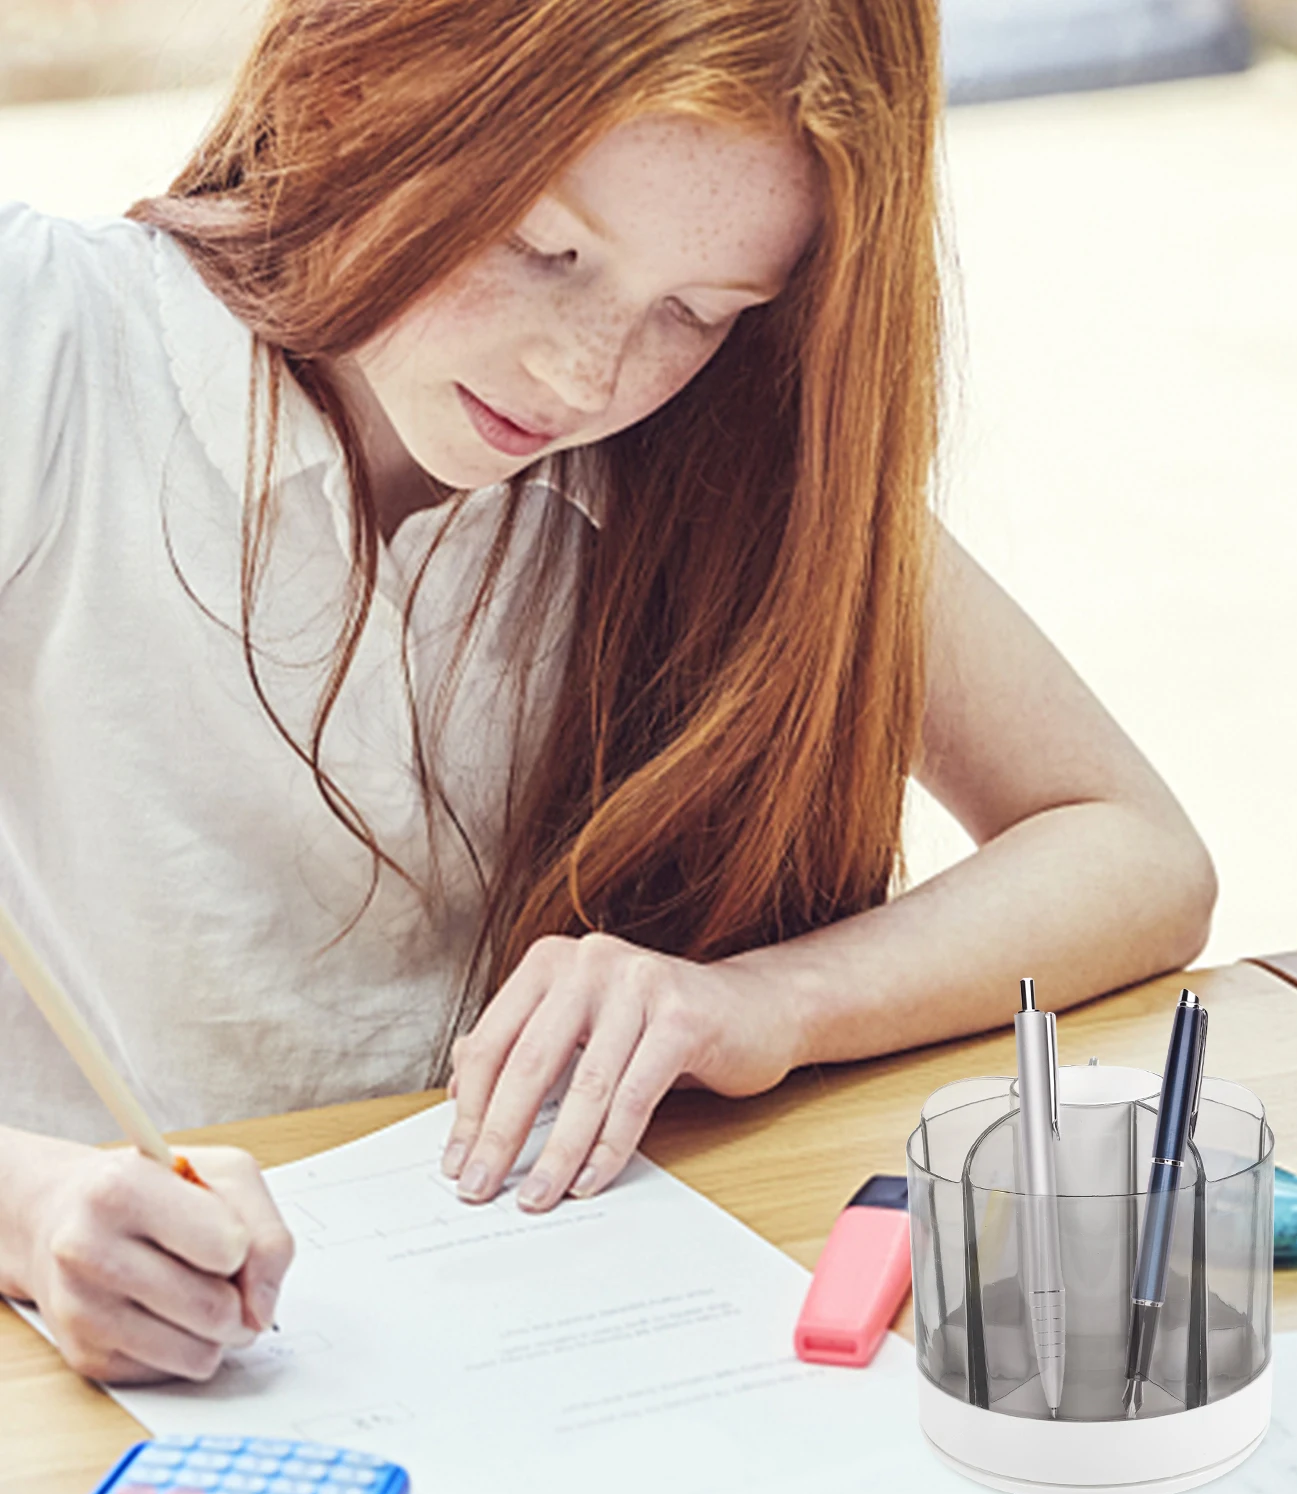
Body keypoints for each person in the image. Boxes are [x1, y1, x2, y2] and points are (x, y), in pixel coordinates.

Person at [0, 0, 1216, 1384]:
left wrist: (766, 1004)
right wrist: (30, 1209)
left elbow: (1135, 852)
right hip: (83, 1387)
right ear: (355, 90)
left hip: (551, 1338)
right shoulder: (50, 346)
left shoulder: (720, 454)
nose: (585, 376)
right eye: (544, 249)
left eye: (697, 312)